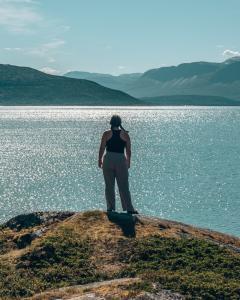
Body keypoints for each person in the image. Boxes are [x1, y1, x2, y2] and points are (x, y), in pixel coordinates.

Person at [98, 115, 138, 214]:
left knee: (109, 185)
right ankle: (129, 208)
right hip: (120, 159)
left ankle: (110, 208)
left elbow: (102, 148)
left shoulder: (106, 134)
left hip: (108, 159)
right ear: (120, 123)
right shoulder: (125, 135)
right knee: (124, 185)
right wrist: (128, 161)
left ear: (111, 123)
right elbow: (128, 150)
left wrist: (99, 160)